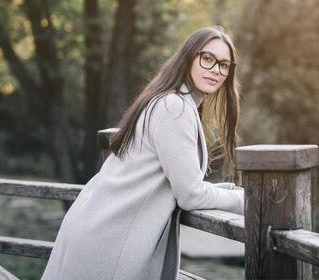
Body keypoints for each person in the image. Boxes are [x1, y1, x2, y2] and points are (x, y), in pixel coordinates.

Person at [42, 26, 244, 280]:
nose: (216, 69)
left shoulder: (172, 101)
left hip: (100, 229)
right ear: (189, 57)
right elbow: (190, 195)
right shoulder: (175, 107)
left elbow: (179, 180)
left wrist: (228, 190)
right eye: (208, 58)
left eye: (225, 65)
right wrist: (247, 202)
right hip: (107, 241)